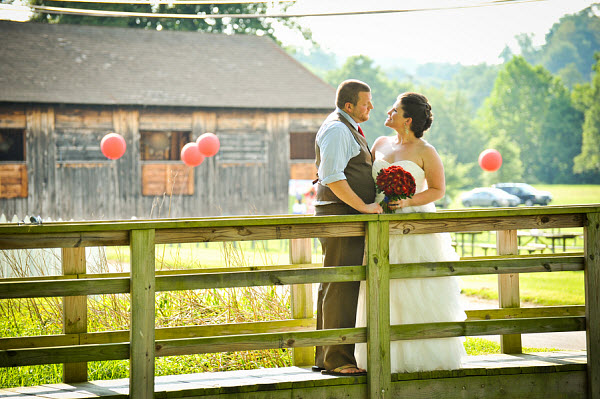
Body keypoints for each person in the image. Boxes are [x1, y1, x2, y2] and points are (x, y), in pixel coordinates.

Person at [354, 92, 466, 373]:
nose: (387, 112)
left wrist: (408, 201)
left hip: (414, 227)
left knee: (416, 288)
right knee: (379, 286)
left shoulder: (425, 151)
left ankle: (421, 357)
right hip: (380, 223)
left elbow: (438, 190)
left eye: (394, 110)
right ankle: (379, 355)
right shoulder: (379, 143)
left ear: (408, 119)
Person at [313, 79, 383, 376]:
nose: (371, 107)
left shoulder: (345, 126)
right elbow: (332, 176)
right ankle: (338, 360)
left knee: (334, 284)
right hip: (340, 216)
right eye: (366, 102)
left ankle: (325, 356)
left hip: (342, 214)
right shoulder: (338, 129)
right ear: (349, 105)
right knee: (341, 284)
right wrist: (364, 207)